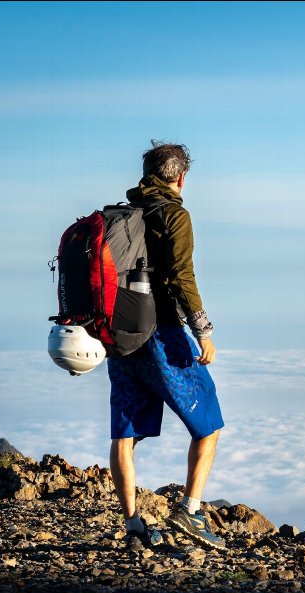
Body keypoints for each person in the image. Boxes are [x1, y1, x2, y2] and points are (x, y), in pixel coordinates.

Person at [108, 140, 226, 551]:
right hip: (161, 333)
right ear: (180, 177)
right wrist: (203, 332)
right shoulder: (175, 215)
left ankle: (133, 528)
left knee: (124, 435)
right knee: (208, 424)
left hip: (121, 335)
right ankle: (190, 512)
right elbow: (181, 277)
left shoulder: (121, 217)